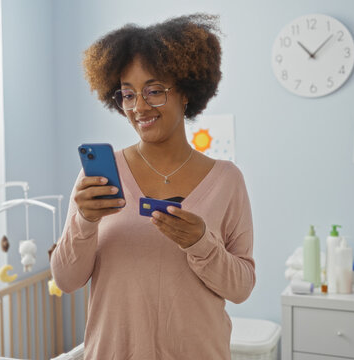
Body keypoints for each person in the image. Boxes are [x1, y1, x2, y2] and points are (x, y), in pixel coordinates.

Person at [50, 13, 255, 360]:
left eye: (154, 91)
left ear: (186, 92)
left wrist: (200, 244)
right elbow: (67, 280)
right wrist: (85, 222)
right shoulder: (98, 178)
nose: (139, 107)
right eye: (127, 95)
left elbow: (241, 288)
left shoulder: (227, 180)